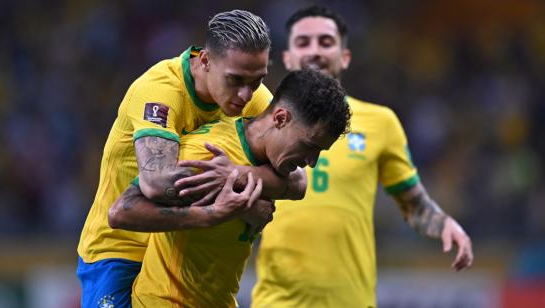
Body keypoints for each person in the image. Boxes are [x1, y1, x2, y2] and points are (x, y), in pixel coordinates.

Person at [76, 10, 307, 308]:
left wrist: (234, 174)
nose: (246, 94)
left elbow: (297, 180)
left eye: (257, 80)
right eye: (235, 80)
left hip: (180, 250)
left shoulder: (253, 96)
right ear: (206, 61)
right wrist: (235, 205)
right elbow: (156, 182)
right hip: (121, 246)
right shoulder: (159, 91)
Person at [252, 6, 474, 308]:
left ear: (345, 56)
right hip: (276, 301)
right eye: (303, 42)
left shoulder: (380, 122)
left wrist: (444, 223)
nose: (314, 51)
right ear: (288, 57)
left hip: (352, 301)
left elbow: (412, 203)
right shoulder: (262, 117)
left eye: (326, 42)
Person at [108, 69, 352, 307]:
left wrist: (235, 177)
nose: (312, 161)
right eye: (309, 146)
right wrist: (212, 215)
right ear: (280, 118)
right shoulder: (207, 152)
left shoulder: (272, 168)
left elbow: (300, 188)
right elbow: (122, 212)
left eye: (320, 151)